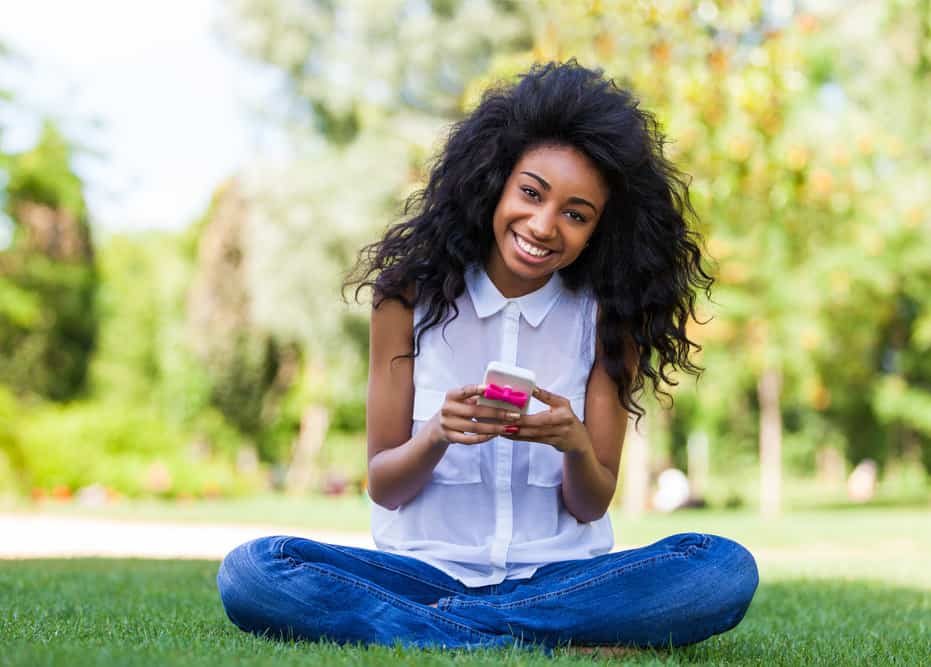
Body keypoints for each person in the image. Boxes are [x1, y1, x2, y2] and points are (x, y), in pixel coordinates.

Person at [217, 60, 758, 652]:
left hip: (559, 579)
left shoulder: (608, 318)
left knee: (721, 567)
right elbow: (384, 486)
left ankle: (458, 633)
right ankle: (533, 637)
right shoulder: (404, 300)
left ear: (601, 229)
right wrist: (436, 436)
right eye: (531, 193)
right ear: (494, 182)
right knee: (257, 569)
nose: (544, 225)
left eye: (576, 214)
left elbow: (591, 502)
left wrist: (574, 442)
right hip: (420, 576)